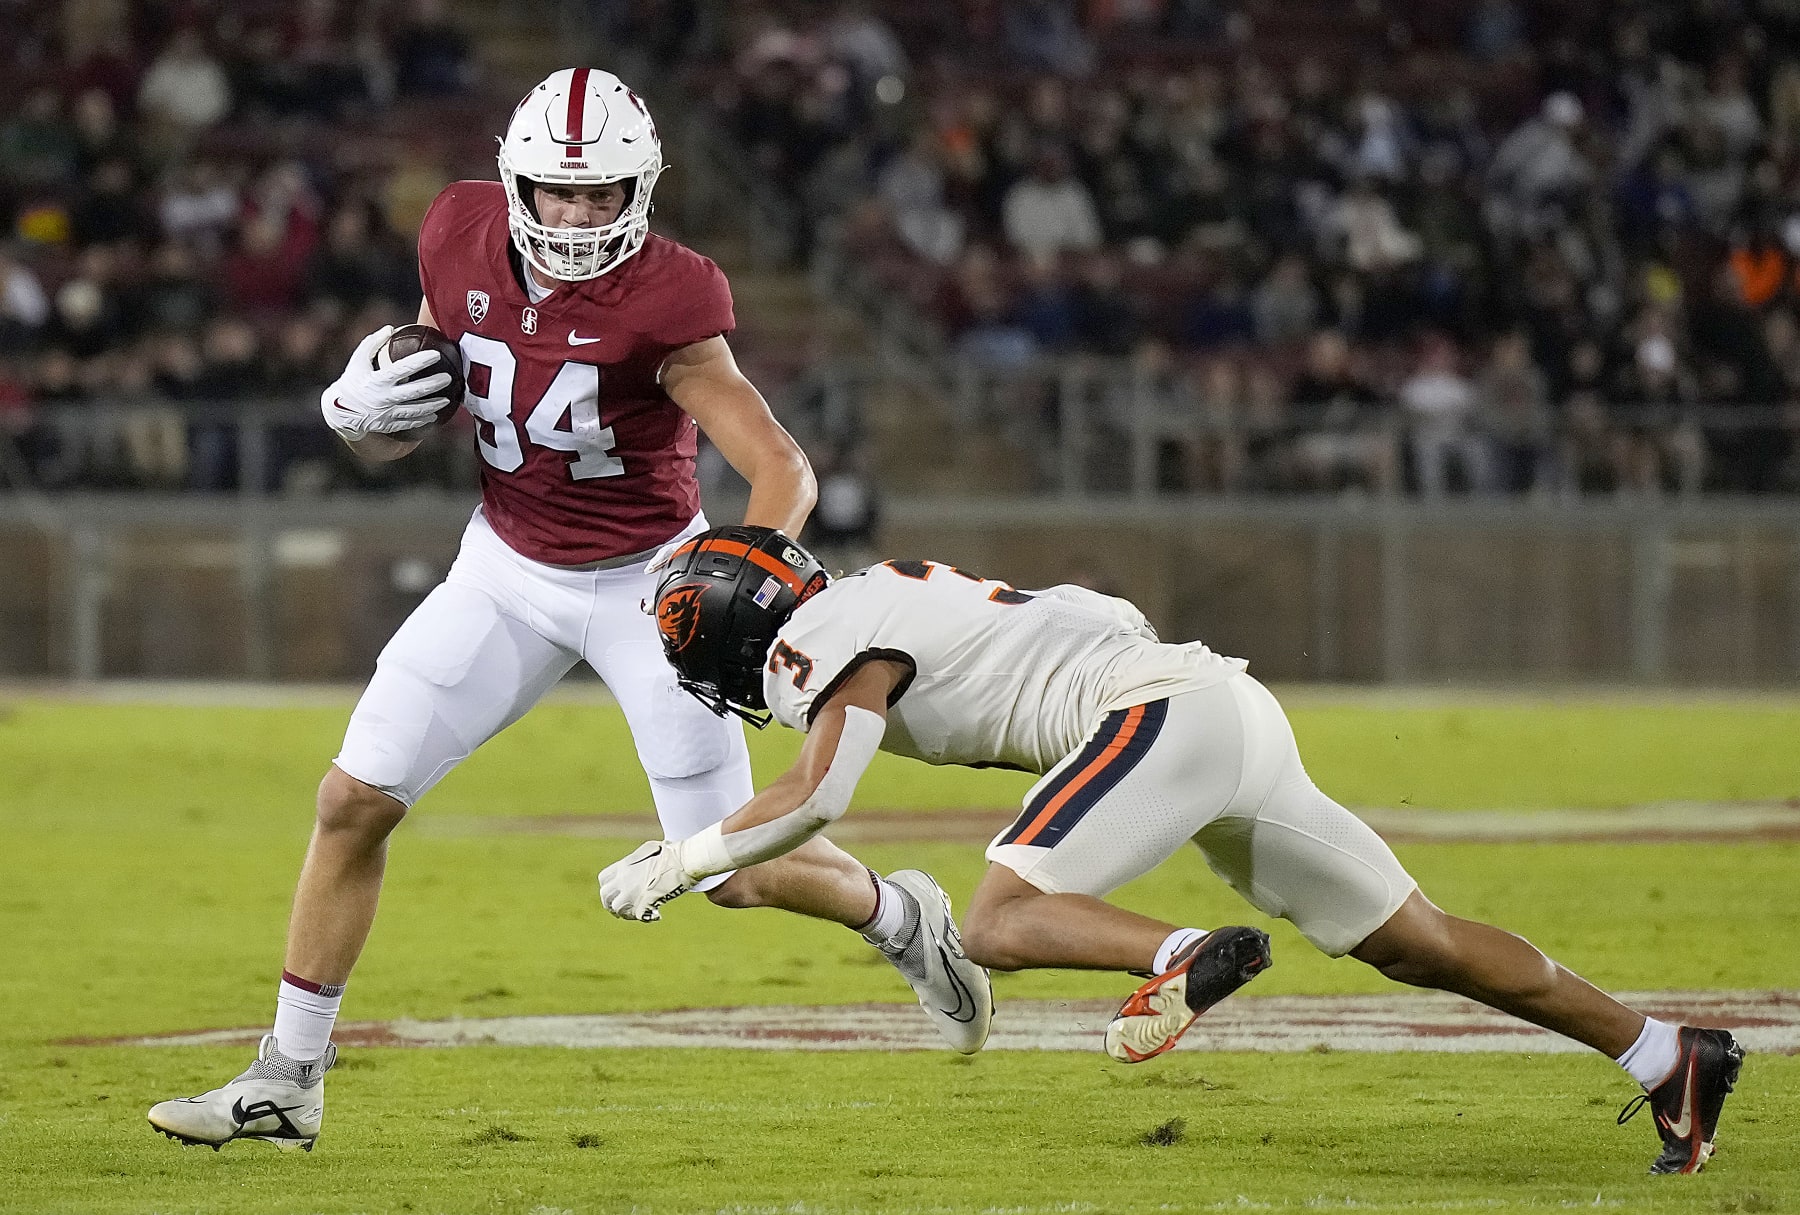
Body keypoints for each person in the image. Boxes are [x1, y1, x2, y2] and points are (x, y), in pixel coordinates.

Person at [147, 69, 989, 1153]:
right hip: (504, 571)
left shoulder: (673, 298)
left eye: (601, 196)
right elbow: (423, 402)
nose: (579, 215)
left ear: (641, 191)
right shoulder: (455, 233)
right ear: (515, 184)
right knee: (353, 799)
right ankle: (288, 1075)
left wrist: (752, 556)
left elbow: (780, 465)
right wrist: (359, 415)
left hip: (647, 586)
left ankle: (899, 914)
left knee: (725, 871)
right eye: (556, 192)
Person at [601, 526, 1745, 1177]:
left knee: (994, 921)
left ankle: (1189, 952)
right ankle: (1661, 1055)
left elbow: (814, 797)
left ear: (739, 631)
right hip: (1221, 710)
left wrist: (682, 856)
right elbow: (1103, 613)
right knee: (1418, 942)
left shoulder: (821, 640)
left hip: (1162, 716)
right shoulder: (894, 588)